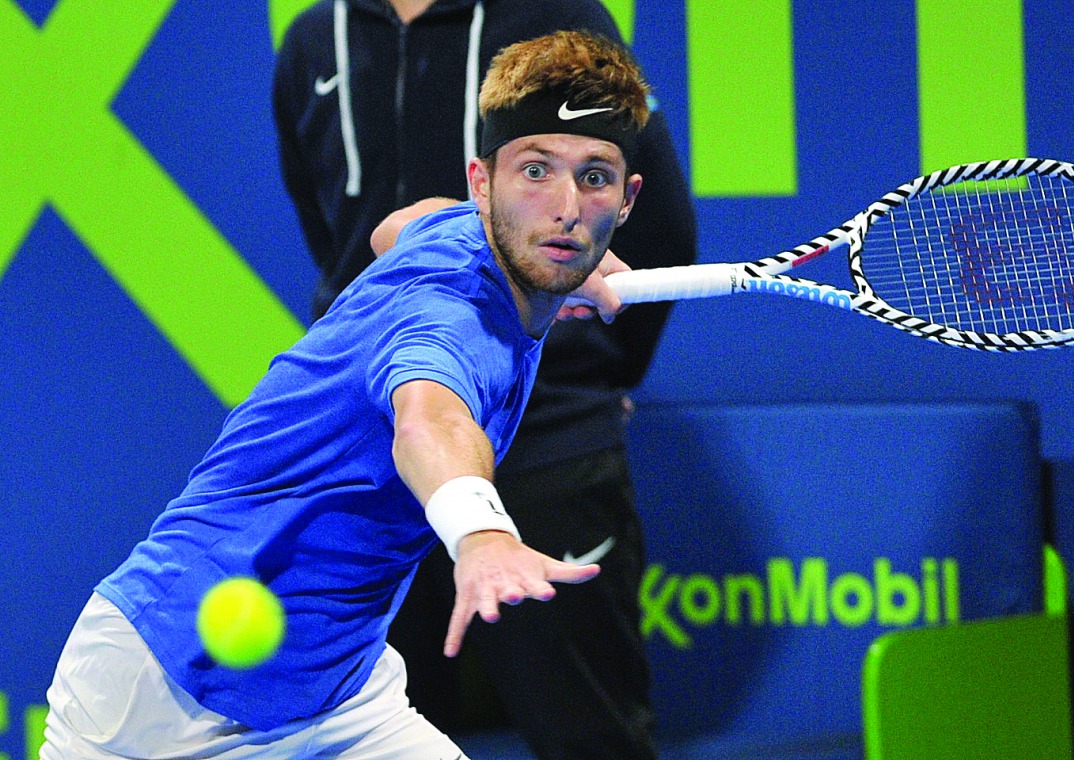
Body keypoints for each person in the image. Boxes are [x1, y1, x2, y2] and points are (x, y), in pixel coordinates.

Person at [40, 30, 649, 759]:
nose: (565, 208)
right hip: (166, 692)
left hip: (336, 690)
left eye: (593, 178)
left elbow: (397, 228)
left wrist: (557, 261)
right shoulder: (450, 322)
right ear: (482, 182)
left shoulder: (459, 229)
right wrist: (482, 533)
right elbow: (428, 418)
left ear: (627, 198)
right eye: (535, 171)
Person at [272, 2, 697, 758]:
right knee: (356, 741)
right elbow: (346, 235)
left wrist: (572, 376)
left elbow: (656, 225)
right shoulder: (310, 40)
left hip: (547, 443)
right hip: (367, 460)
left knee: (590, 739)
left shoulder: (559, 18)